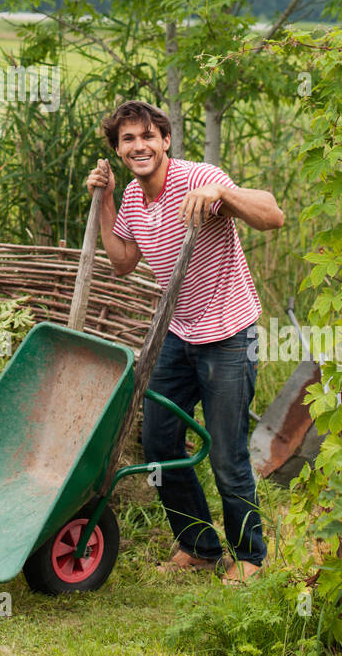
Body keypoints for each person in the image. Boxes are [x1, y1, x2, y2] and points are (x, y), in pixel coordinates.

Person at [86, 100, 284, 583]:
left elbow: (272, 216)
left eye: (148, 136)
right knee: (158, 442)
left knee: (226, 452)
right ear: (118, 150)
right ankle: (199, 546)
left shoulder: (199, 178)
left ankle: (251, 555)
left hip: (228, 335)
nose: (139, 146)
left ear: (165, 140)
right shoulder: (133, 198)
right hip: (177, 333)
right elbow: (122, 262)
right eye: (128, 139)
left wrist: (222, 193)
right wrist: (107, 197)